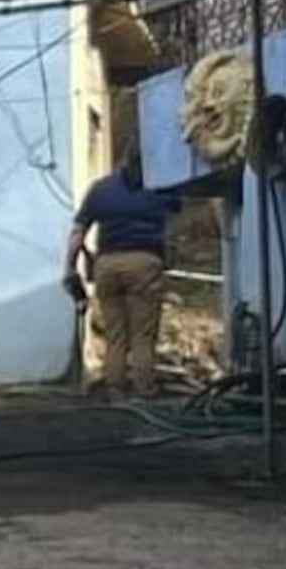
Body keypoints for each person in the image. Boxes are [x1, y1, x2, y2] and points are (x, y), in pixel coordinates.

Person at [66, 144, 182, 400]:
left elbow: (77, 233)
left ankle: (116, 391)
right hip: (144, 262)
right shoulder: (159, 186)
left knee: (115, 334)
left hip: (106, 265)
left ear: (122, 160)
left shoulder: (100, 189)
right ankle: (144, 392)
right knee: (142, 334)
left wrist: (69, 268)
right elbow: (178, 210)